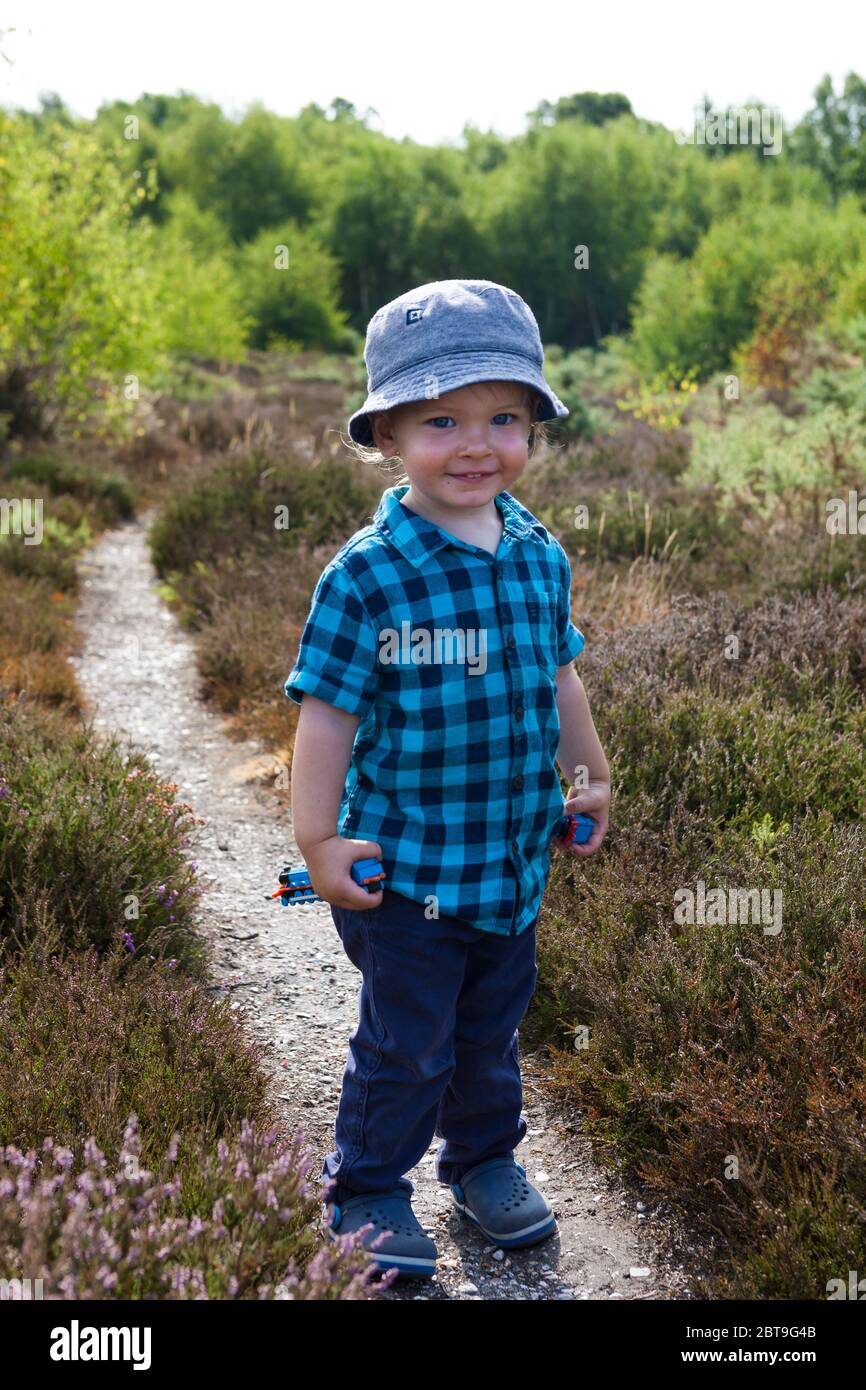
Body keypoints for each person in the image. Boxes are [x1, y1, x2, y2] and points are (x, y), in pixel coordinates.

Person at [284, 278, 610, 1281]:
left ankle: (482, 1161)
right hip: (406, 867)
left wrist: (586, 775)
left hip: (510, 858)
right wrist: (317, 841)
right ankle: (370, 1185)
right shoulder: (368, 573)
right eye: (441, 420)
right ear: (384, 432)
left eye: (502, 416)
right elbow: (325, 714)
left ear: (532, 428)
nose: (476, 443)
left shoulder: (534, 552)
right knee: (406, 1043)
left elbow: (555, 674)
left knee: (488, 1030)